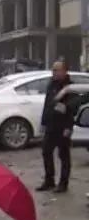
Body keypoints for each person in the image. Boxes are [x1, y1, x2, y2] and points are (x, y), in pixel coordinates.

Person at [36, 59, 78, 193]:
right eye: (53, 69)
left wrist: (68, 127)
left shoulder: (70, 87)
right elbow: (47, 105)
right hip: (51, 125)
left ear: (65, 71)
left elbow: (72, 110)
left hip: (63, 127)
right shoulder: (51, 85)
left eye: (57, 69)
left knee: (63, 155)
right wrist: (43, 122)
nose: (54, 72)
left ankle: (63, 183)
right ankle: (49, 180)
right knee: (46, 152)